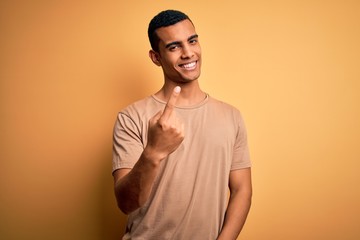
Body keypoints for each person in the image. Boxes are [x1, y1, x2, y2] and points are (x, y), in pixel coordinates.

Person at [112, 9, 252, 240]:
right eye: (174, 47)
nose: (188, 53)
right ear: (156, 57)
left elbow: (242, 190)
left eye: (192, 41)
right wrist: (153, 152)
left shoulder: (231, 116)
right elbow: (126, 203)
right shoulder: (131, 117)